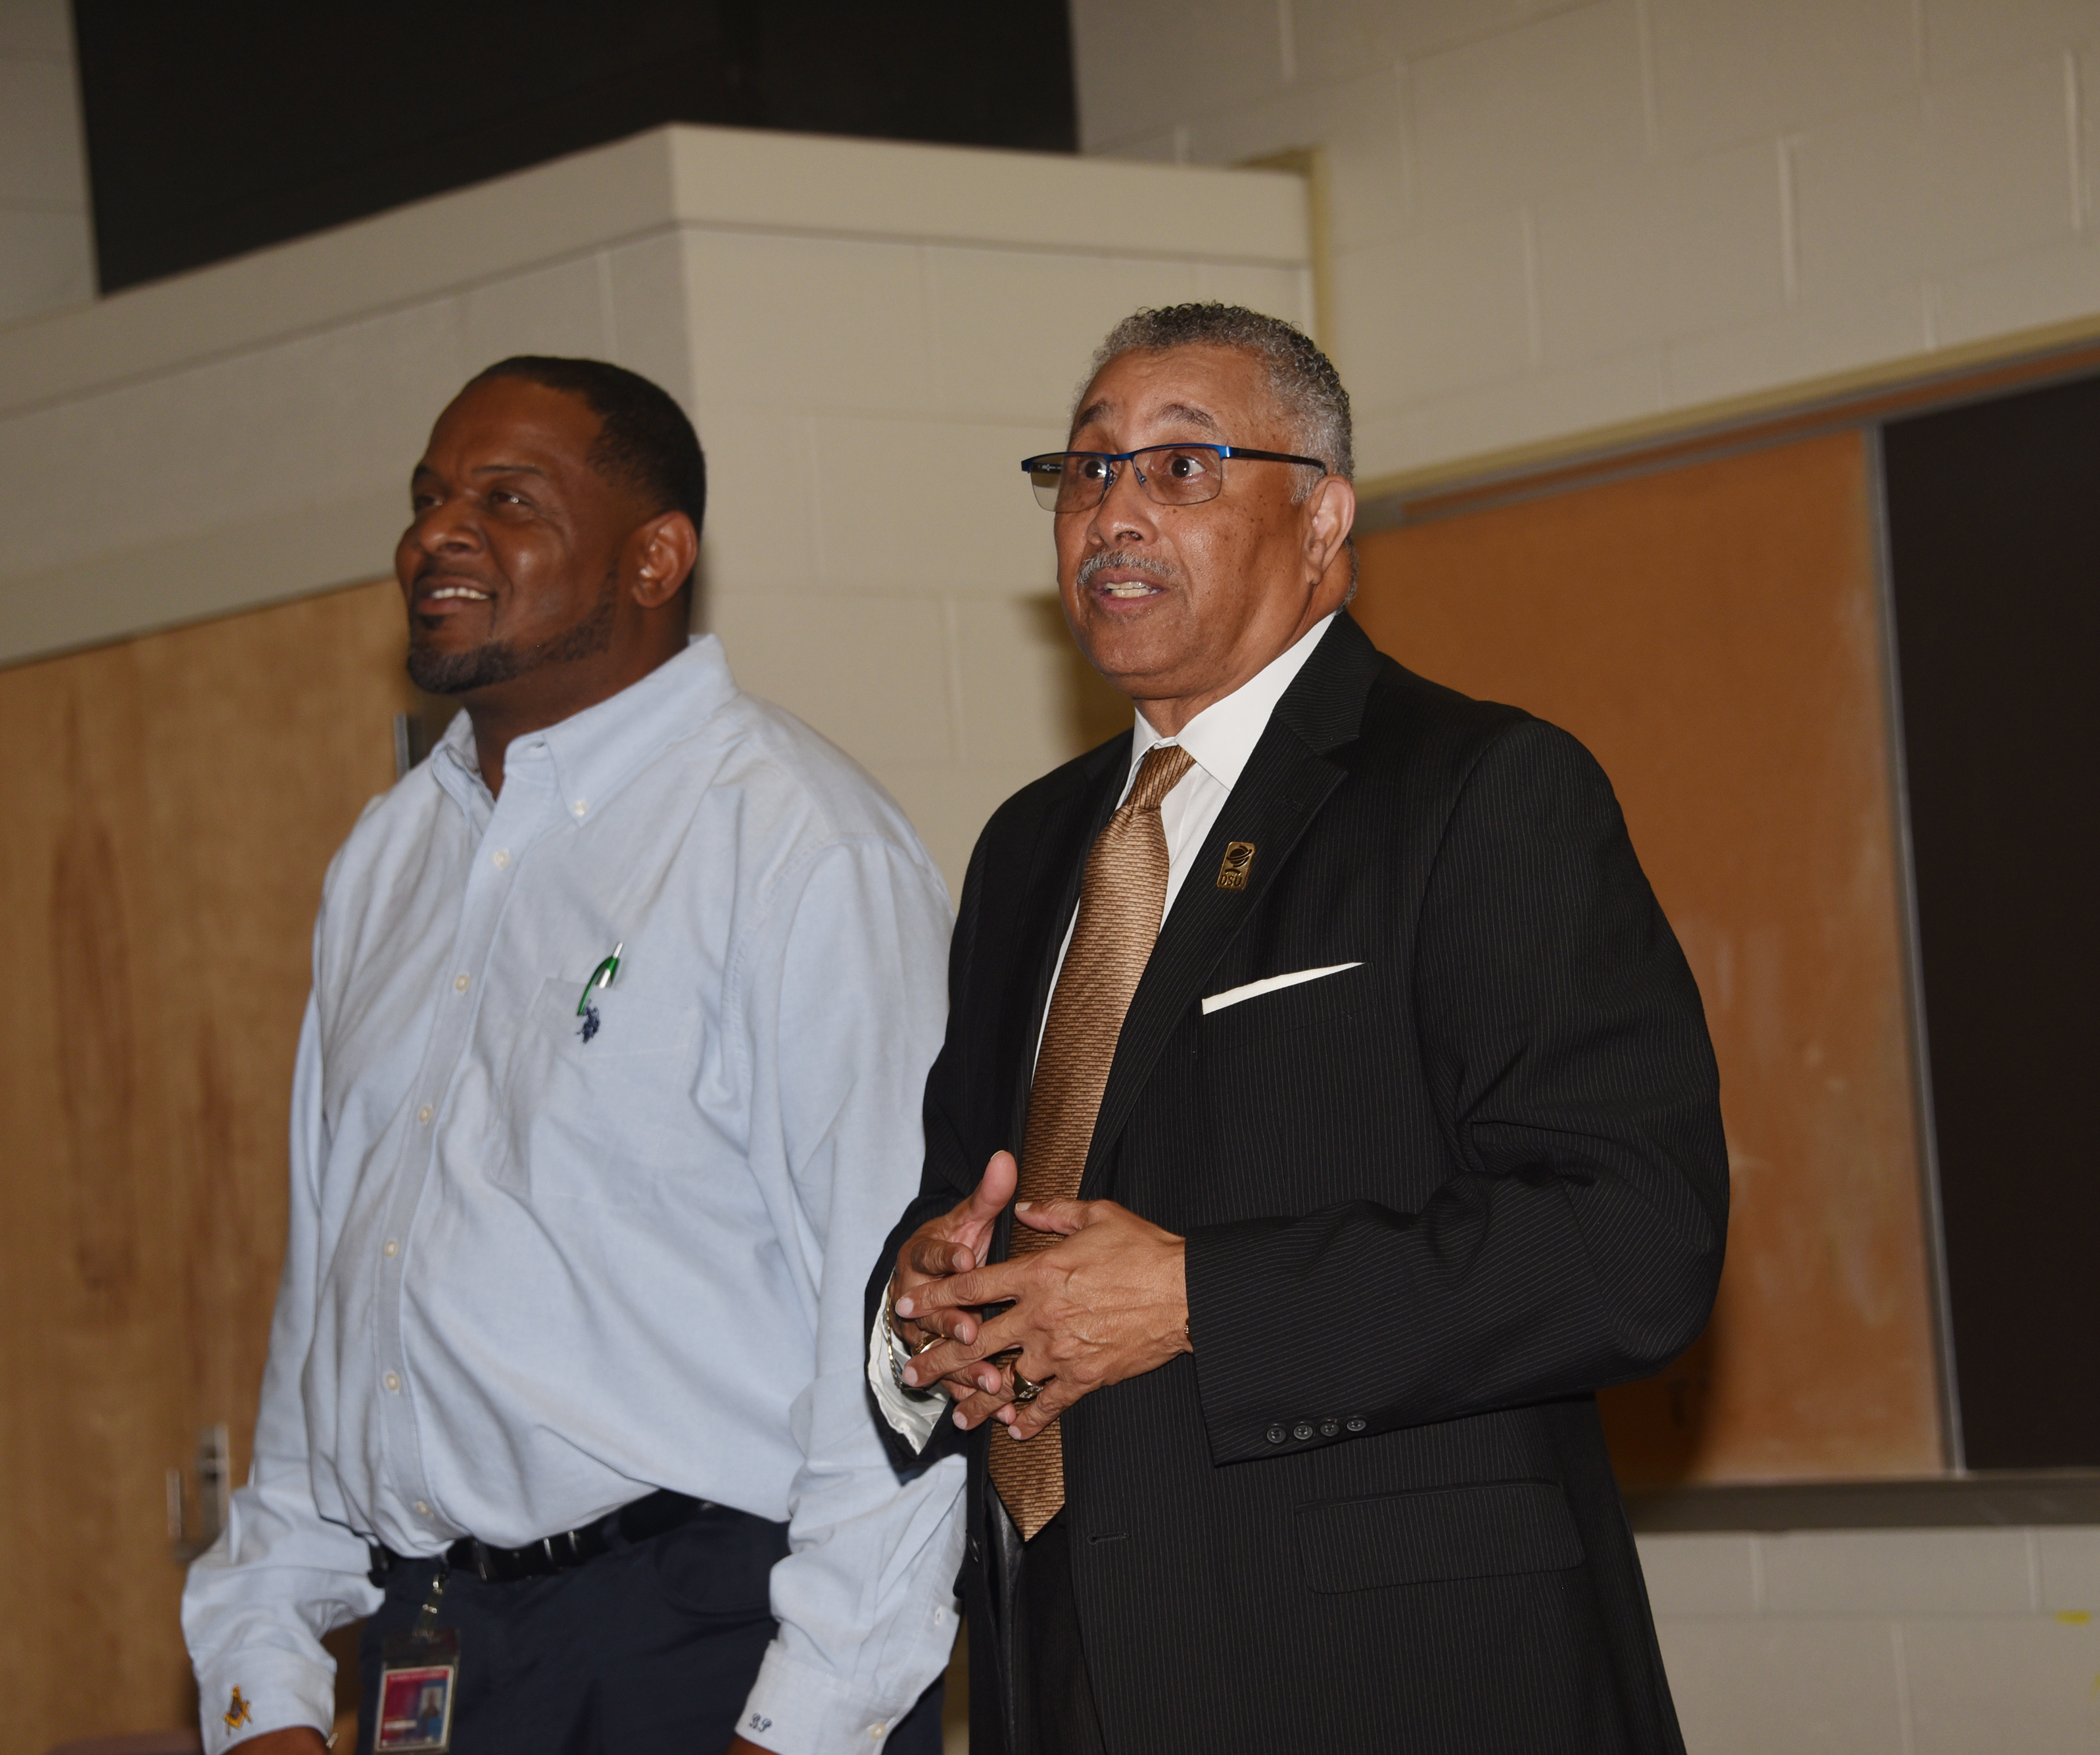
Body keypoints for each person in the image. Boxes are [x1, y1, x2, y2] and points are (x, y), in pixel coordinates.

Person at [867, 306, 1727, 1752]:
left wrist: (1204, 1296)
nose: (1113, 513)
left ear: (1320, 516)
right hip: (1065, 1661)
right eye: (1082, 473)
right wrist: (924, 1306)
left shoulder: (1478, 792)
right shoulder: (1028, 847)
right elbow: (965, 1195)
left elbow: (1632, 1243)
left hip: (1390, 1672)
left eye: (1181, 468)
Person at [184, 357, 963, 1755]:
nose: (437, 533)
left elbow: (903, 1338)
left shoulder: (788, 841)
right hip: (434, 1643)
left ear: (656, 556)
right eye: (427, 498)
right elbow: (337, 1292)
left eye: (507, 499)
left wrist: (810, 1716)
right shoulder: (387, 858)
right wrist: (263, 1663)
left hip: (705, 1645)